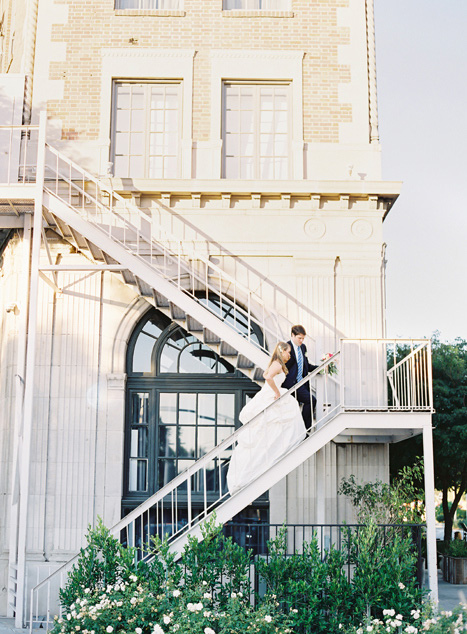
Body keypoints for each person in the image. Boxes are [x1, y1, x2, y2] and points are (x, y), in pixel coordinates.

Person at [227, 342, 306, 495]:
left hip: (269, 393)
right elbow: (268, 377)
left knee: (278, 420)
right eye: (288, 352)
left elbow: (265, 375)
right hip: (270, 394)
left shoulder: (276, 364)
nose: (289, 355)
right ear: (282, 351)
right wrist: (277, 392)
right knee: (288, 408)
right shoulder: (277, 364)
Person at [282, 325, 318, 431]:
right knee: (310, 400)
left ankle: (303, 429)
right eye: (299, 338)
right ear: (293, 335)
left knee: (309, 402)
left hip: (301, 383)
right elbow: (282, 366)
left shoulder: (303, 347)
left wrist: (320, 368)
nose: (301, 340)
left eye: (303, 338)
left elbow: (305, 365)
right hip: (290, 384)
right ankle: (303, 429)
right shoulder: (285, 346)